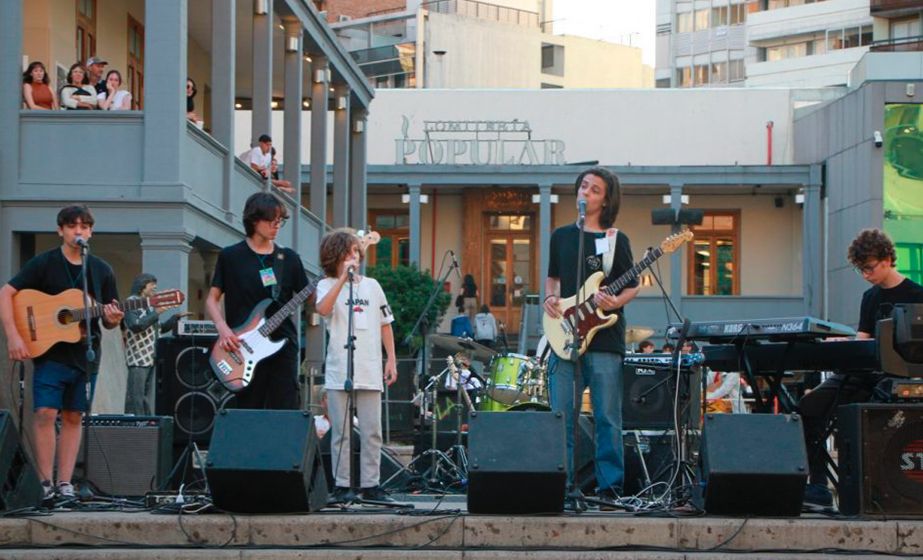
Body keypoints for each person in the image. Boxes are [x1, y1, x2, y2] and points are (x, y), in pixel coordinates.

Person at [0, 205, 123, 503]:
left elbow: (109, 315)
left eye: (83, 226)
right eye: (71, 226)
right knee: (45, 413)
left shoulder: (100, 270)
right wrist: (14, 336)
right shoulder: (44, 264)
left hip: (85, 355)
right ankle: (44, 483)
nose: (77, 231)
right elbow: (6, 293)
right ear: (61, 230)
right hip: (50, 354)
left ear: (91, 231)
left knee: (73, 416)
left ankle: (65, 483)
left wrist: (113, 318)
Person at [799, 228, 923, 510]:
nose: (866, 275)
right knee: (808, 407)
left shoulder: (917, 295)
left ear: (888, 258)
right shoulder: (870, 297)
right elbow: (864, 341)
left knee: (866, 421)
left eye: (869, 268)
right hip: (863, 373)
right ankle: (818, 486)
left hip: (897, 378)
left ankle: (877, 490)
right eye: (861, 270)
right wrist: (845, 343)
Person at [543, 166, 640, 505]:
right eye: (583, 185)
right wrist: (550, 298)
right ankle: (564, 486)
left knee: (607, 416)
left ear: (606, 199)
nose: (585, 192)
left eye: (594, 189)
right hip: (565, 337)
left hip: (604, 339)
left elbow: (633, 285)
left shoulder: (617, 240)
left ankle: (609, 488)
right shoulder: (561, 236)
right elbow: (553, 279)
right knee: (562, 416)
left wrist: (615, 300)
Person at [315, 228, 398, 504]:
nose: (355, 257)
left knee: (373, 430)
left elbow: (386, 324)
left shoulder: (373, 286)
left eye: (357, 252)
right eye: (349, 252)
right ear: (336, 255)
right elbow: (323, 310)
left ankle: (370, 484)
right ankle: (341, 485)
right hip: (340, 368)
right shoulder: (326, 285)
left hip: (370, 367)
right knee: (341, 432)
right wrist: (342, 279)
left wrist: (392, 359)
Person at [206, 192, 307, 410]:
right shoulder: (230, 256)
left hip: (282, 345)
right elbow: (212, 299)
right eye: (272, 220)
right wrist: (223, 328)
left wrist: (335, 278)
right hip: (242, 348)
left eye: (280, 221)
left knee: (285, 410)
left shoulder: (289, 259)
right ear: (254, 220)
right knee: (249, 410)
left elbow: (313, 300)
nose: (276, 225)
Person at [124, 273, 189, 415]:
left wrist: (174, 318)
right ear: (142, 286)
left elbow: (158, 329)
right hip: (138, 357)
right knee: (136, 397)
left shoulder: (148, 305)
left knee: (145, 397)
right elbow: (136, 325)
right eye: (151, 284)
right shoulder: (131, 302)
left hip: (150, 357)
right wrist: (157, 312)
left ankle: (146, 425)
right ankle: (135, 427)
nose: (155, 287)